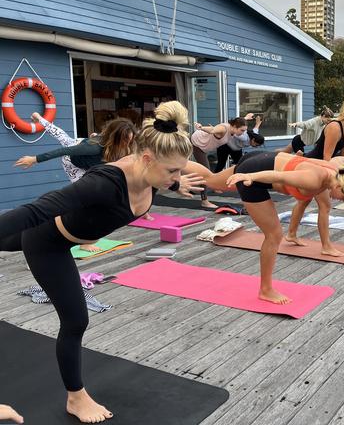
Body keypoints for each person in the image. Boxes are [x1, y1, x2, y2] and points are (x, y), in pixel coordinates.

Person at [0, 101, 203, 423]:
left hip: (58, 237)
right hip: (48, 241)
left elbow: (162, 177)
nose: (176, 177)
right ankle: (76, 398)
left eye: (180, 171)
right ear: (147, 158)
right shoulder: (103, 182)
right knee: (76, 321)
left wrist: (175, 184)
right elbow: (36, 211)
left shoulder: (152, 170)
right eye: (172, 172)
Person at [188, 151, 344, 304]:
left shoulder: (339, 170)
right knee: (274, 235)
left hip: (261, 159)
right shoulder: (313, 179)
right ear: (340, 186)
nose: (340, 200)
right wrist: (250, 177)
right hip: (255, 174)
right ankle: (266, 290)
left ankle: (172, 161)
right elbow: (278, 176)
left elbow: (338, 160)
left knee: (210, 180)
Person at [15, 115, 138, 252]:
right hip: (72, 162)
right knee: (86, 198)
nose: (127, 143)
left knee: (65, 138)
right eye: (125, 140)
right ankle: (84, 242)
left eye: (130, 140)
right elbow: (63, 151)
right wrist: (34, 159)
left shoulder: (117, 145)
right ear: (115, 138)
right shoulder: (94, 148)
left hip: (84, 148)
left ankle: (39, 118)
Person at [286, 93, 344, 253]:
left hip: (322, 165)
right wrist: (337, 177)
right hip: (314, 165)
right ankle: (326, 247)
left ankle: (291, 234)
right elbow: (326, 158)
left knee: (303, 201)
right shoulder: (334, 127)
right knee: (325, 205)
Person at [190, 113, 253, 208]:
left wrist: (246, 118)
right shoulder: (223, 129)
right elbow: (213, 130)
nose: (243, 133)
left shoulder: (235, 126)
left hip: (203, 146)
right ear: (235, 127)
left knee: (199, 171)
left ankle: (191, 185)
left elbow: (238, 122)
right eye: (242, 130)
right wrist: (201, 127)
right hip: (197, 145)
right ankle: (205, 201)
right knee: (205, 174)